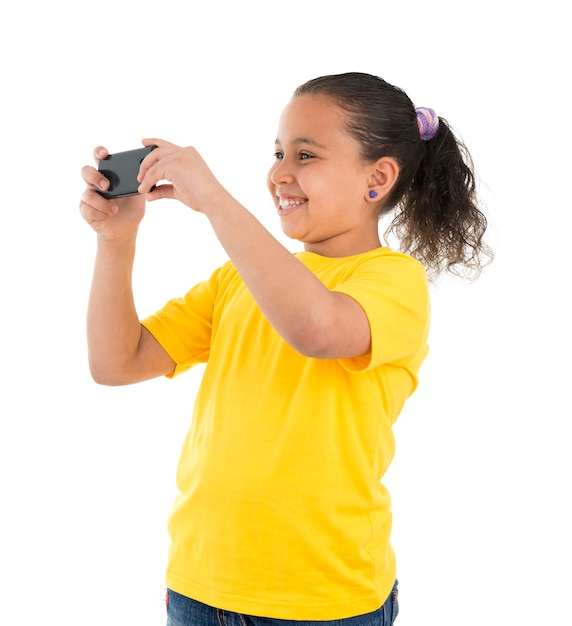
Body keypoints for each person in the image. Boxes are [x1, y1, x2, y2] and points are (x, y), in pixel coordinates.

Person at [80, 72, 492, 626]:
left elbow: (318, 330)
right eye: (277, 152)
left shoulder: (393, 281)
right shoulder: (239, 280)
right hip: (199, 588)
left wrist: (214, 200)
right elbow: (115, 362)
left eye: (305, 155)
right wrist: (116, 241)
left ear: (378, 179)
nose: (279, 173)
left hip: (320, 602)